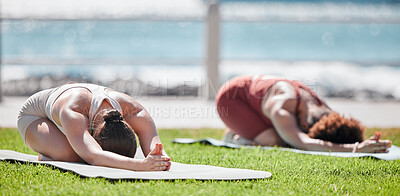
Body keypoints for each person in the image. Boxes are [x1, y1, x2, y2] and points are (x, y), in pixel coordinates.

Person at [215, 75, 392, 153]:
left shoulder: (322, 108)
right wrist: (355, 149)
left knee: (283, 135)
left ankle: (248, 129)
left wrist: (362, 140)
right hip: (231, 98)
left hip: (256, 97)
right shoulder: (282, 107)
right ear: (306, 127)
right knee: (276, 141)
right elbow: (302, 142)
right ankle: (235, 135)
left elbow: (342, 130)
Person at [17, 82, 171, 171]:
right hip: (34, 116)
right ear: (95, 138)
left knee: (81, 150)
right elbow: (94, 156)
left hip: (68, 116)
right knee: (76, 156)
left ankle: (60, 145)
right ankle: (47, 154)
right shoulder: (74, 111)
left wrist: (160, 157)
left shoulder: (134, 111)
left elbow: (154, 144)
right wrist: (140, 165)